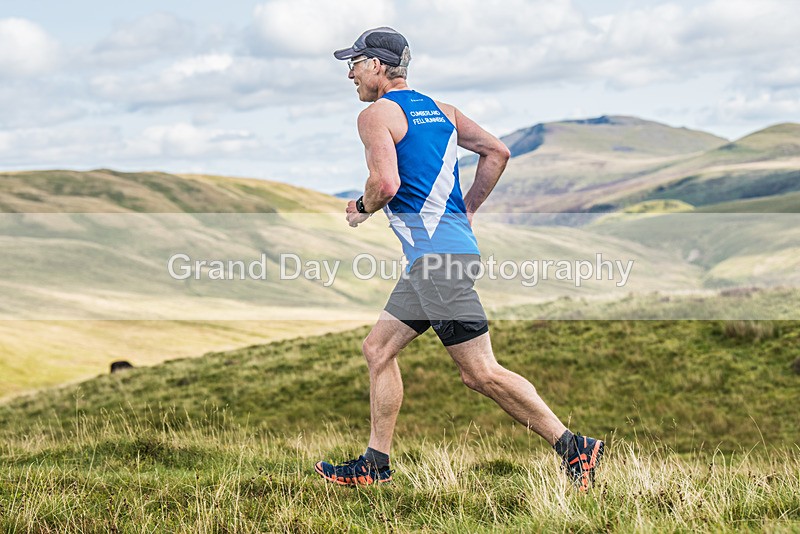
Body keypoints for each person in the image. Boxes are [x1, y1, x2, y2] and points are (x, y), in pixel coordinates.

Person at [314, 27, 603, 491]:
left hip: (437, 263)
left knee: (480, 372)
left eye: (354, 63)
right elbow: (497, 151)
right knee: (378, 349)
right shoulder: (442, 111)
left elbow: (385, 185)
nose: (349, 73)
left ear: (377, 66)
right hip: (445, 256)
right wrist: (467, 209)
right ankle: (375, 463)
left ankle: (574, 448)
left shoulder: (376, 116)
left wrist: (363, 209)